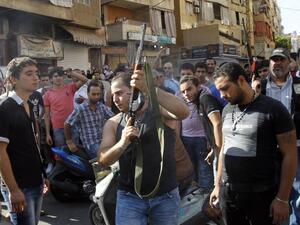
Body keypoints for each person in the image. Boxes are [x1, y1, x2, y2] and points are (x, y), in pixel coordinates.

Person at [210, 62, 297, 225]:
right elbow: (224, 148)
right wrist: (217, 185)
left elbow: (290, 155)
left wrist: (282, 199)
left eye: (225, 88)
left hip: (262, 195)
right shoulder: (228, 110)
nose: (221, 95)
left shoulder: (274, 109)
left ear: (241, 80)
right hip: (230, 195)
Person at [98, 71, 189, 225]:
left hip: (165, 196)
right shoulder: (113, 123)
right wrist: (122, 143)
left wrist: (149, 88)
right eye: (113, 95)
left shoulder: (158, 110)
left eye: (119, 93)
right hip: (129, 197)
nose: (115, 99)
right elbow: (102, 160)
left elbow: (183, 112)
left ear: (134, 90)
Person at [0, 57, 49, 225]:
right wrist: (13, 190)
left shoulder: (28, 104)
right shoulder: (5, 108)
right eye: (29, 74)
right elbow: (0, 152)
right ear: (13, 79)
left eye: (36, 73)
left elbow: (32, 145)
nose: (35, 77)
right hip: (20, 186)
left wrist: (43, 174)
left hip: (35, 181)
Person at [258, 48, 300, 225]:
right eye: (274, 60)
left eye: (282, 59)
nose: (278, 63)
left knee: (297, 192)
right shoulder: (260, 87)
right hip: (268, 150)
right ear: (270, 63)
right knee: (271, 190)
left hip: (296, 148)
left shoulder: (299, 83)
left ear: (289, 62)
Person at [179, 75, 222, 190]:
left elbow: (217, 123)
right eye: (183, 91)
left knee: (206, 177)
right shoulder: (198, 100)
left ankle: (206, 204)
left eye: (189, 89)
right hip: (204, 144)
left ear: (198, 87)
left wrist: (216, 149)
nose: (186, 94)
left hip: (213, 147)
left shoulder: (205, 98)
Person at [64, 80, 114, 159]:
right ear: (88, 94)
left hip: (103, 140)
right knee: (106, 158)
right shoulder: (81, 109)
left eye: (98, 94)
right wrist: (69, 142)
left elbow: (113, 118)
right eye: (93, 94)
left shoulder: (101, 106)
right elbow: (67, 124)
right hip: (90, 144)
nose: (96, 96)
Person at [43, 67, 88, 147]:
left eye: (60, 76)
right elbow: (47, 115)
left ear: (63, 77)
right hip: (58, 128)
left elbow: (85, 80)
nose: (58, 78)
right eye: (55, 76)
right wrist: (47, 134)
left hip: (72, 125)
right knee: (62, 153)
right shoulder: (47, 94)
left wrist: (72, 73)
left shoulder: (70, 88)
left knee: (75, 151)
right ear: (51, 79)